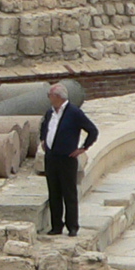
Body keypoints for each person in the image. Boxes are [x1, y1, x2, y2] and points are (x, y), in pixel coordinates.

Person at [40, 83, 98, 238]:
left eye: (50, 95)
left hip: (67, 158)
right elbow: (44, 127)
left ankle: (72, 226)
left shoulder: (74, 112)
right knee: (54, 192)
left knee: (69, 193)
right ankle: (56, 225)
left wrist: (83, 148)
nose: (48, 98)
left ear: (57, 97)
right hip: (51, 158)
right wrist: (43, 140)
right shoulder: (50, 112)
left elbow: (92, 130)